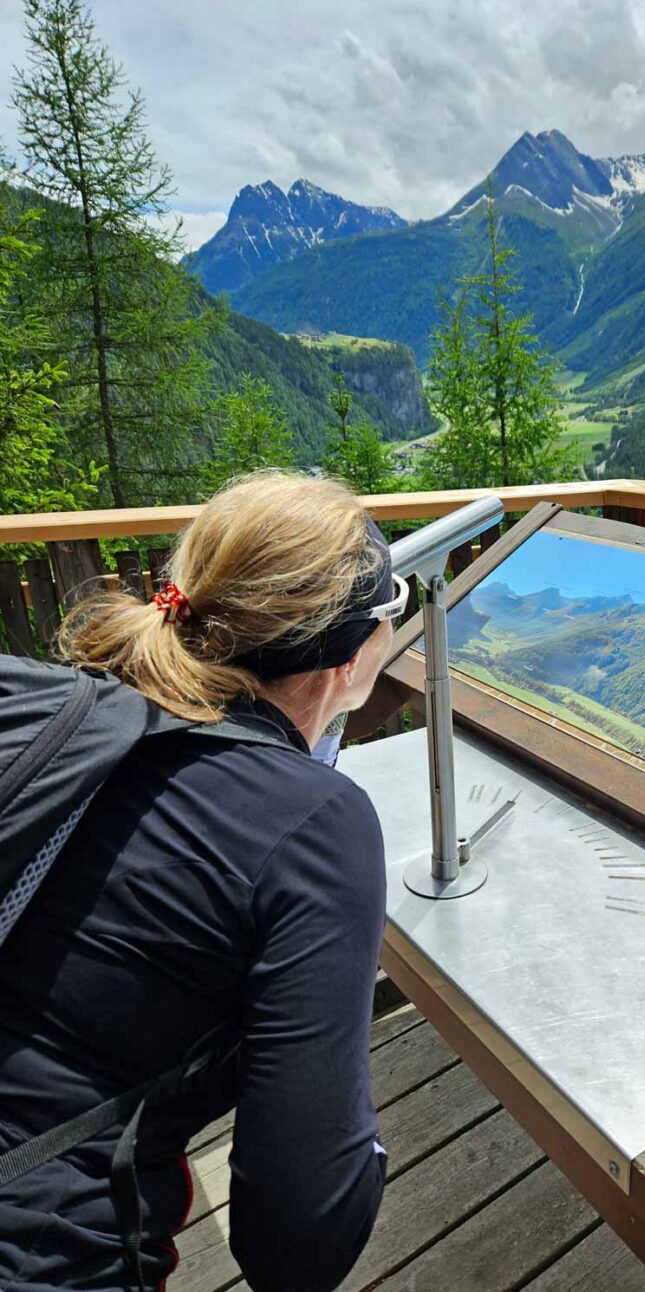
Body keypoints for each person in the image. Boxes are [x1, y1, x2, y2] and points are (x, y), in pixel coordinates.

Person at [0, 472, 403, 1292]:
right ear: (352, 657)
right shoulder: (313, 823)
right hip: (46, 1255)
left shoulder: (27, 698)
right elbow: (298, 1243)